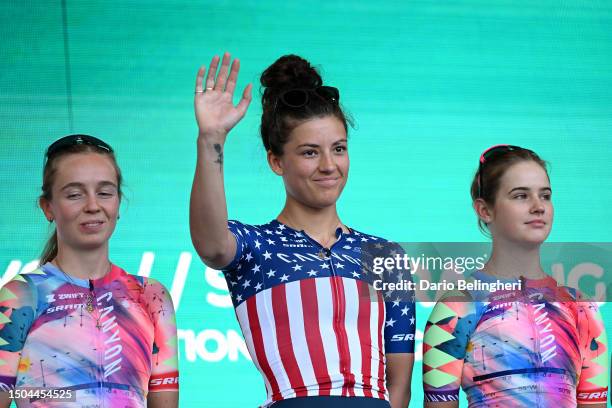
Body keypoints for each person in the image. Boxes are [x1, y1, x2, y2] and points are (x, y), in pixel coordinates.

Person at [190, 53, 415, 407]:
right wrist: (211, 139)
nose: (329, 166)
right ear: (276, 161)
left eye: (338, 149)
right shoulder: (256, 246)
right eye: (310, 153)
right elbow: (211, 245)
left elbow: (399, 387)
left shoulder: (386, 255)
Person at [422, 145, 609, 407]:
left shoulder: (581, 307)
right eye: (521, 196)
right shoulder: (455, 308)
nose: (538, 207)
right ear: (485, 210)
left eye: (545, 196)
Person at [0, 135, 179, 407]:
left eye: (105, 192)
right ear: (48, 207)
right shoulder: (21, 294)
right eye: (74, 194)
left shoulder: (151, 296)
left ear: (118, 203)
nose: (93, 206)